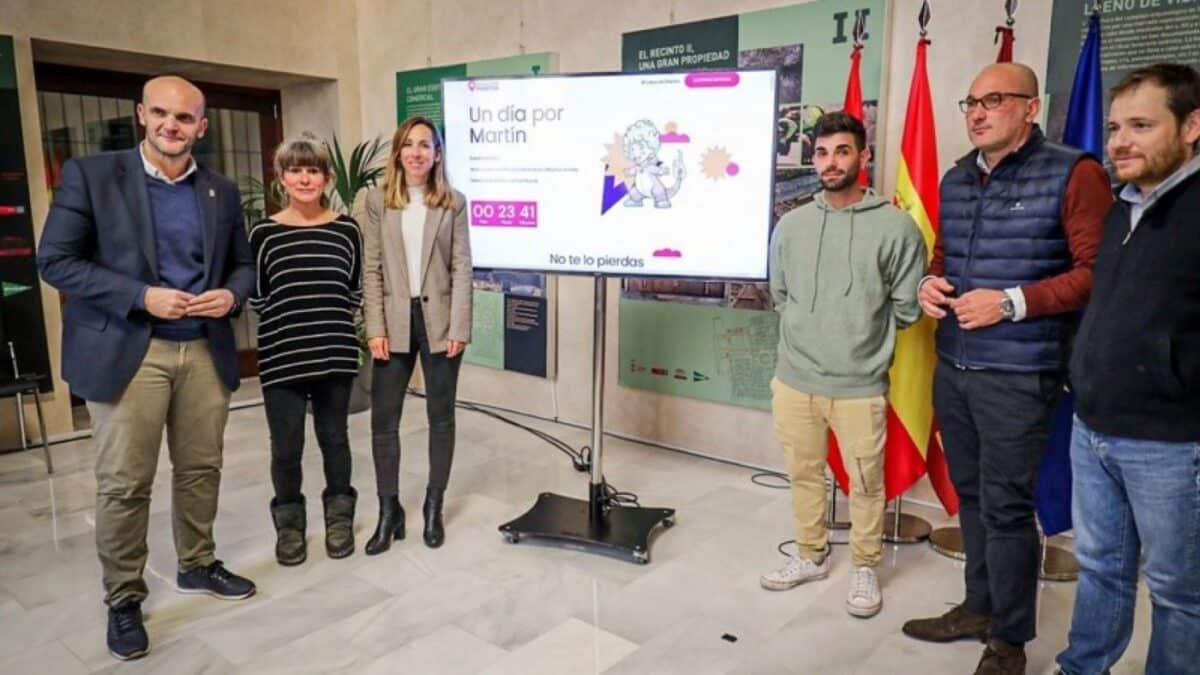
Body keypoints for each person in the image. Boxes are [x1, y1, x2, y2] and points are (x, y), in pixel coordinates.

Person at [37, 75, 257, 661]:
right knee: (125, 484)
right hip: (130, 349)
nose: (171, 125)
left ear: (201, 127)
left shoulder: (220, 190)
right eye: (160, 113)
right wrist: (141, 295)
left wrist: (232, 297)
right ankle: (124, 598)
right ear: (141, 114)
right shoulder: (93, 175)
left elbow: (243, 265)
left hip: (204, 349)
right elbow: (54, 261)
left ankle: (198, 563)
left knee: (200, 468)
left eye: (184, 118)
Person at [902, 62, 1112, 675]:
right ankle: (977, 607)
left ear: (1030, 107)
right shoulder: (957, 177)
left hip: (1021, 371)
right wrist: (929, 285)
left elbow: (1097, 273)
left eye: (993, 100)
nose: (976, 111)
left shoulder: (1075, 172)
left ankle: (1010, 640)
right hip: (955, 362)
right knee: (969, 497)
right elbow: (943, 254)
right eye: (970, 101)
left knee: (1007, 506)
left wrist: (1011, 302)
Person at [1056, 63, 1200, 675]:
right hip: (1093, 427)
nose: (1120, 142)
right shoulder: (1122, 206)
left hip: (1170, 443)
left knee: (1177, 592)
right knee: (1101, 569)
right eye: (1115, 127)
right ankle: (1083, 666)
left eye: (1142, 125)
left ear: (1192, 126)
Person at [761, 111, 926, 618]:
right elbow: (780, 294)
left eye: (842, 151)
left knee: (865, 482)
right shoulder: (791, 225)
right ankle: (810, 555)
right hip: (795, 381)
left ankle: (864, 566)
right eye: (822, 153)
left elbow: (908, 307)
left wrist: (858, 340)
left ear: (863, 156)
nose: (831, 163)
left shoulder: (895, 227)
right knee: (805, 474)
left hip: (859, 385)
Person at [356, 115, 472, 553]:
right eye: (408, 144)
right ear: (398, 153)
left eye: (425, 145)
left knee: (441, 418)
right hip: (393, 323)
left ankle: (432, 506)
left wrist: (459, 326)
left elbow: (462, 267)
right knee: (383, 421)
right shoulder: (376, 201)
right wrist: (375, 327)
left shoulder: (453, 203)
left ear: (437, 154)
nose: (416, 152)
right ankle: (389, 512)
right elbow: (371, 268)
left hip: (441, 323)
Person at [248, 134, 363, 566]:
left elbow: (353, 291)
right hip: (282, 356)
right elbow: (259, 298)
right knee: (286, 447)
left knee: (335, 440)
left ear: (327, 177)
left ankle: (339, 517)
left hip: (334, 353)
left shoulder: (347, 229)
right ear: (281, 177)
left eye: (312, 169)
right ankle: (291, 524)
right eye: (295, 169)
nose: (304, 177)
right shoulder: (264, 233)